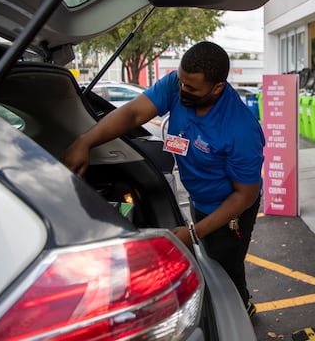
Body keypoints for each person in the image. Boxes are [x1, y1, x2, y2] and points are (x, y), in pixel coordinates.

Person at [63, 41, 264, 317]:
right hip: (200, 198)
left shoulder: (241, 129)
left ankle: (239, 311)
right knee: (210, 258)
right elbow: (133, 113)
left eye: (192, 89)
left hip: (230, 210)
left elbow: (246, 195)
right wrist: (86, 141)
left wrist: (194, 232)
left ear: (217, 88)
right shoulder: (177, 84)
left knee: (225, 268)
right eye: (181, 82)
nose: (182, 90)